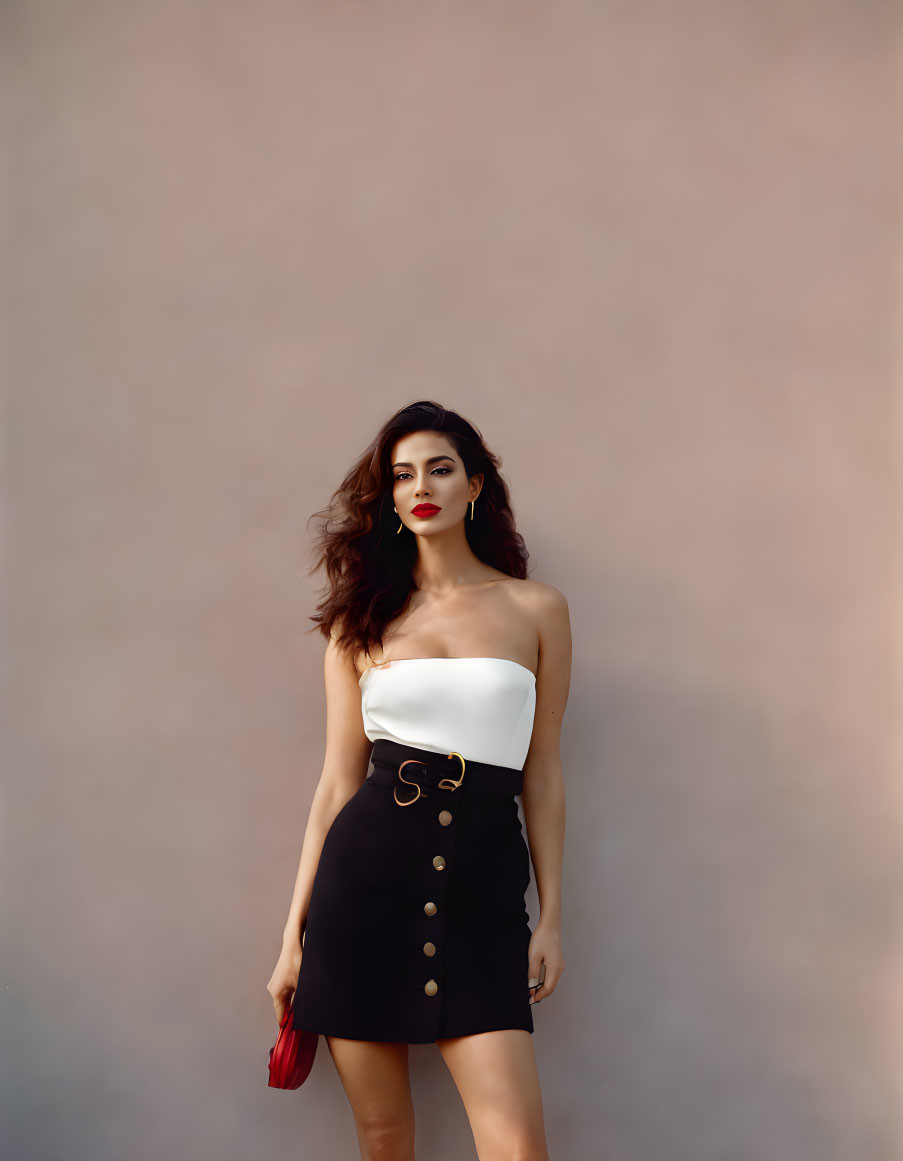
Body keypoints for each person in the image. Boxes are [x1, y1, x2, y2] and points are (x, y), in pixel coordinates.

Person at [267, 400, 570, 1161]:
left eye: (438, 468)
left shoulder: (536, 608)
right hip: (362, 888)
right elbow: (336, 784)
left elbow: (542, 770)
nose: (419, 486)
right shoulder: (359, 621)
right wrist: (291, 938)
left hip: (483, 893)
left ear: (474, 485)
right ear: (389, 498)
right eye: (401, 475)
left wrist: (551, 914)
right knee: (383, 1136)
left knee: (516, 1144)